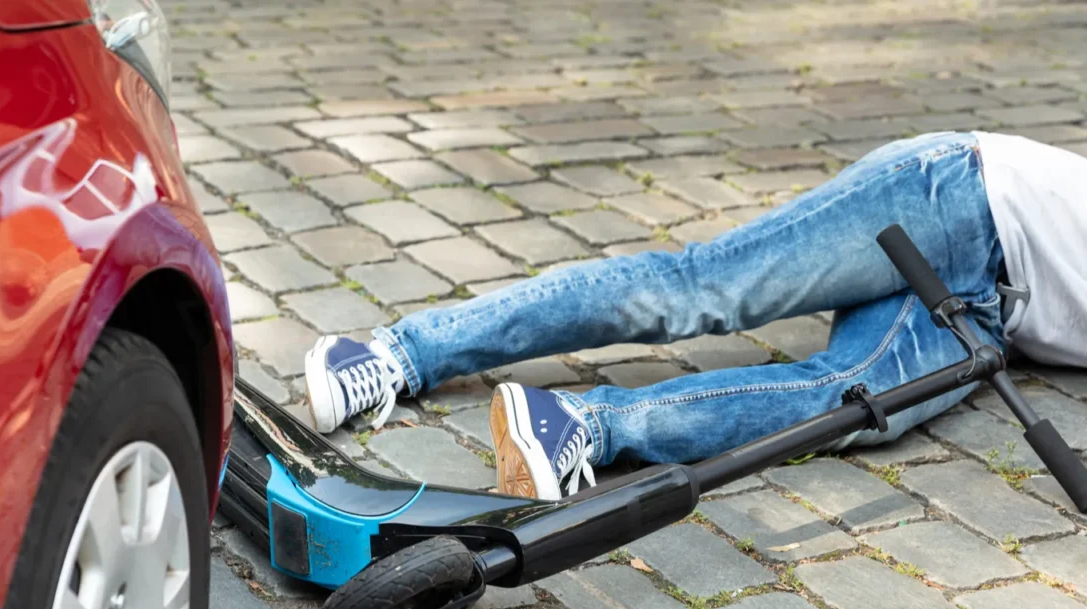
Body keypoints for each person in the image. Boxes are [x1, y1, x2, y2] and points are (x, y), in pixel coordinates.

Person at [303, 131, 1087, 501]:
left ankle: (579, 422)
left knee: (855, 402)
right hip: (961, 199)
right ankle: (399, 352)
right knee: (701, 292)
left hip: (991, 313)